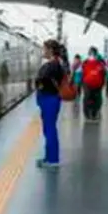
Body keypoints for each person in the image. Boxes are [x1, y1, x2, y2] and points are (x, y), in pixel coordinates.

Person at [35, 39, 65, 169]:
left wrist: (39, 83)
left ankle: (53, 159)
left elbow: (42, 81)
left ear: (51, 50)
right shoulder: (54, 64)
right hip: (48, 99)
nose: (43, 51)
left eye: (45, 48)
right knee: (48, 129)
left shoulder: (53, 65)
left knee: (50, 129)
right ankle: (49, 157)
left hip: (50, 99)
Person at [80, 47, 107, 121]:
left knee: (88, 98)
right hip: (96, 83)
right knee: (95, 98)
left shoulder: (86, 62)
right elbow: (104, 72)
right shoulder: (100, 62)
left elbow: (82, 72)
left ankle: (88, 114)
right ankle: (93, 114)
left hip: (89, 83)